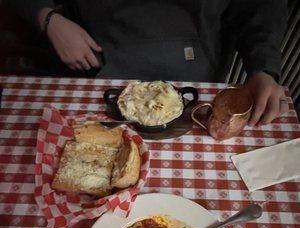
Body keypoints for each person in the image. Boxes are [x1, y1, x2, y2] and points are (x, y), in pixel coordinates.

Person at [11, 0, 289, 126]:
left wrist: (263, 66)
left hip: (196, 79)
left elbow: (260, 6)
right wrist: (47, 17)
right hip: (93, 67)